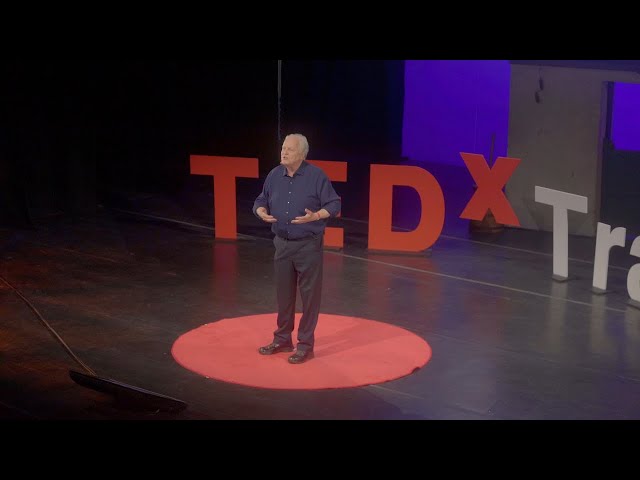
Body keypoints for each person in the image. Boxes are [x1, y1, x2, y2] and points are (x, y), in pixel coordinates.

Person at [253, 133, 341, 364]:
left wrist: (316, 216)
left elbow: (334, 203)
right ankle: (282, 339)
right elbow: (261, 200)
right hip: (282, 244)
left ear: (302, 154)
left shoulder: (316, 176)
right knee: (284, 295)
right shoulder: (274, 174)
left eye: (289, 149)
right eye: (283, 148)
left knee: (309, 297)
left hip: (308, 246)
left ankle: (305, 345)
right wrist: (260, 211)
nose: (283, 152)